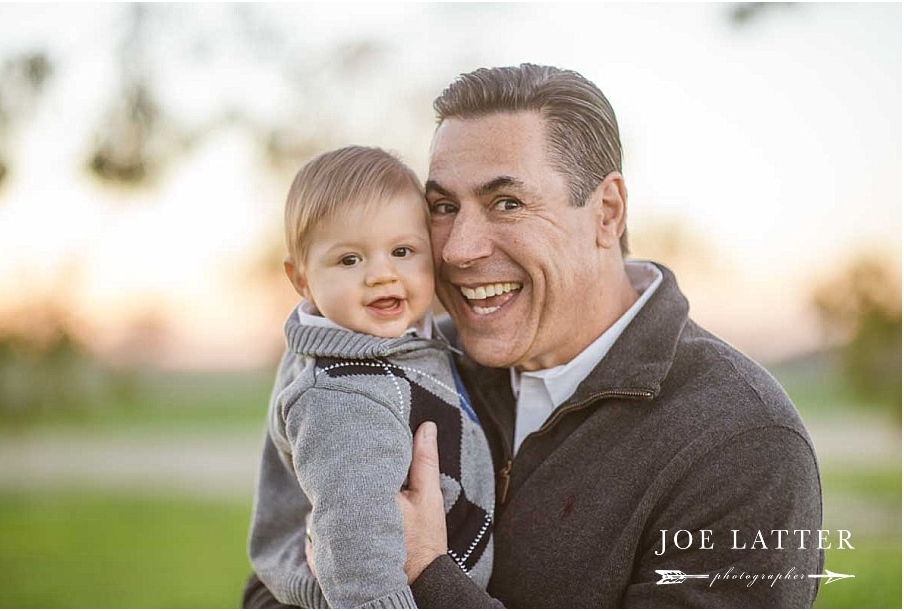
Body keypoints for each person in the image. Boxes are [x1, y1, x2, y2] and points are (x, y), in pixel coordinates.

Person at [244, 64, 823, 608]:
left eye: (507, 203)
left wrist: (426, 574)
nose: (458, 250)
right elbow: (272, 582)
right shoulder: (394, 364)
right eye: (443, 206)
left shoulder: (743, 442)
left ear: (607, 212)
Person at [246, 146, 494, 608]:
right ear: (301, 279)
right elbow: (355, 546)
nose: (382, 274)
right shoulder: (343, 394)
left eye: (402, 251)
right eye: (349, 260)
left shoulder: (397, 347)